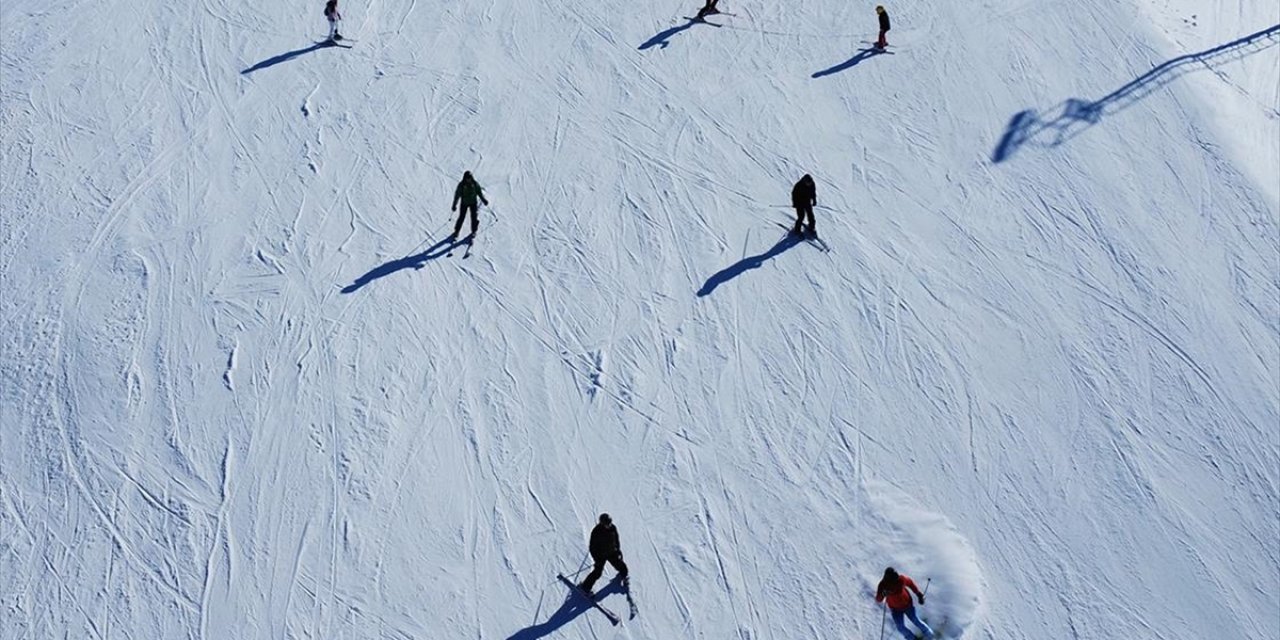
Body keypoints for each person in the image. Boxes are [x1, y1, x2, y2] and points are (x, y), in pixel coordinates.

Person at [875, 567, 934, 640]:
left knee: (915, 620)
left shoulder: (901, 579)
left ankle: (929, 634)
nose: (897, 579)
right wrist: (882, 595)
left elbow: (910, 583)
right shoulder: (882, 585)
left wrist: (919, 594)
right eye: (894, 579)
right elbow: (878, 599)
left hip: (907, 605)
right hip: (895, 610)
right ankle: (911, 638)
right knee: (900, 627)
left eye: (897, 577)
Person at [578, 514, 628, 595]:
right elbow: (592, 548)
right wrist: (597, 559)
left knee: (621, 565)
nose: (609, 525)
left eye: (610, 523)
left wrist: (618, 549)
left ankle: (624, 576)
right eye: (607, 524)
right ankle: (585, 587)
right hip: (601, 556)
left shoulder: (612, 528)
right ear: (602, 523)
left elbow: (616, 539)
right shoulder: (596, 531)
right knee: (597, 572)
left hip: (611, 552)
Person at [450, 171, 489, 240]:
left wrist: (483, 200)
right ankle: (456, 231)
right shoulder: (461, 185)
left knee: (474, 217)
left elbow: (479, 192)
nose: (469, 180)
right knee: (461, 217)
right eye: (467, 178)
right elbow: (457, 195)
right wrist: (454, 205)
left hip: (473, 203)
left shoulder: (474, 184)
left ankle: (474, 231)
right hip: (464, 203)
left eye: (470, 178)